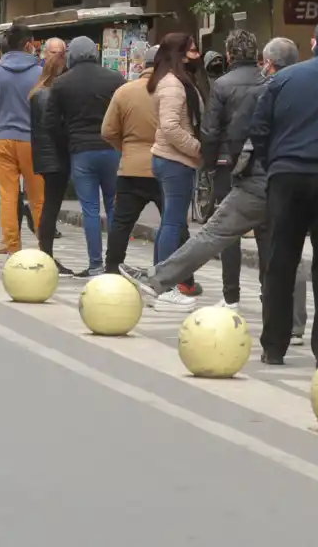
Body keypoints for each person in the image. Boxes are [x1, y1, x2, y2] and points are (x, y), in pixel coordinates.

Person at [120, 37, 308, 332]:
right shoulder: (308, 92)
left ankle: (157, 281)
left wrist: (229, 166)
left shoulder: (265, 89)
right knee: (288, 249)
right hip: (296, 181)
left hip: (258, 179)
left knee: (213, 234)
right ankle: (294, 325)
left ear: (268, 63)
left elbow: (240, 134)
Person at [252, 17, 318, 367]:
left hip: (287, 179)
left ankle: (274, 346)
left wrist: (274, 166)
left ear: (313, 44)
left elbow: (259, 128)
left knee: (281, 261)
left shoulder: (283, 78)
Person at [101, 46, 198, 290]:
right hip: (169, 163)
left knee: (122, 223)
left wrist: (125, 148)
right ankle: (185, 280)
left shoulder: (125, 91)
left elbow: (107, 131)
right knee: (175, 224)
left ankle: (112, 271)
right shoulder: (175, 89)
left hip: (131, 168)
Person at [46, 36, 125, 277]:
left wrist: (68, 140)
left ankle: (95, 265)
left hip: (81, 151)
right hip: (111, 150)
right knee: (113, 206)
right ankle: (115, 265)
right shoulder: (115, 79)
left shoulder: (62, 83)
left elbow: (50, 122)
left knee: (90, 209)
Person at [199, 29, 261, 310]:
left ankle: (230, 295)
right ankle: (267, 293)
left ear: (229, 54)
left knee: (228, 230)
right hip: (263, 163)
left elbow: (210, 131)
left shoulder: (221, 85)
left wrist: (209, 165)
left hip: (227, 162)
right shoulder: (269, 82)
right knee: (266, 229)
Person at [146, 32, 204, 308]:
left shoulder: (175, 81)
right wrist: (197, 148)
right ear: (180, 54)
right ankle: (164, 283)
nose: (197, 56)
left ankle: (162, 277)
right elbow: (170, 127)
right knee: (172, 222)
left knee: (173, 222)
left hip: (172, 160)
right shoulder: (173, 85)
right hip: (175, 160)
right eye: (192, 51)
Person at [0, 23, 43, 255]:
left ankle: (11, 245)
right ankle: (44, 246)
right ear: (28, 45)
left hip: (2, 139)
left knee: (7, 194)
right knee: (38, 197)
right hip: (32, 142)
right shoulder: (40, 73)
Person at [30, 55, 73, 276]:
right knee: (51, 206)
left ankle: (45, 251)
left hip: (43, 155)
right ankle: (46, 253)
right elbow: (55, 127)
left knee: (50, 205)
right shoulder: (51, 96)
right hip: (55, 156)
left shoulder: (37, 93)